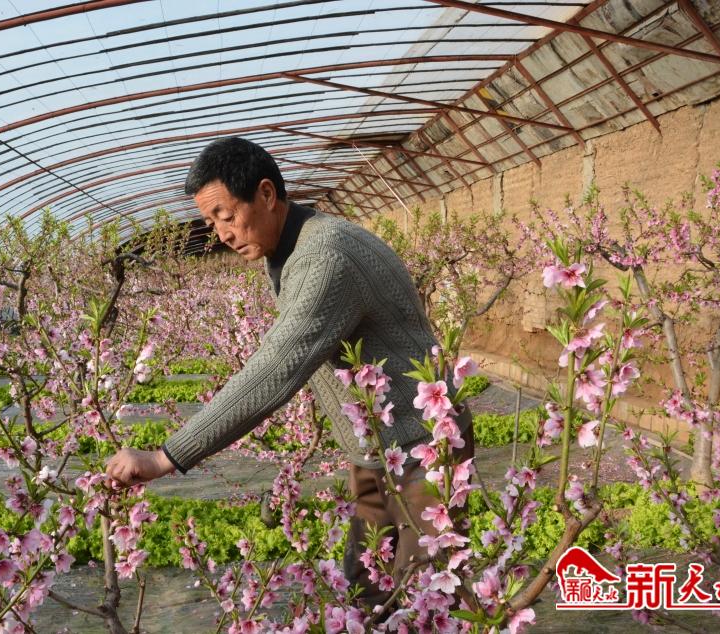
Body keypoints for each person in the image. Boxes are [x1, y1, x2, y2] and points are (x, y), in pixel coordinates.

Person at [106, 136, 473, 608]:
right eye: (210, 223)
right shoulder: (289, 248)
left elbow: (277, 367)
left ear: (265, 194)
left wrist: (165, 457)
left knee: (423, 596)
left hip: (423, 446)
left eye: (225, 215)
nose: (221, 234)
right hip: (375, 453)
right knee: (364, 585)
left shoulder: (325, 256)